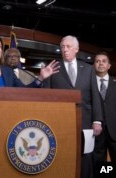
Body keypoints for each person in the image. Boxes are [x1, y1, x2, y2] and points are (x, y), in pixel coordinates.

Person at [43, 35, 103, 178]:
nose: (64, 49)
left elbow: (95, 95)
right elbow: (46, 96)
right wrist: (44, 79)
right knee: (63, 155)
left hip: (86, 122)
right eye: (62, 47)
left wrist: (97, 120)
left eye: (68, 46)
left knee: (85, 157)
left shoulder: (88, 70)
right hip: (60, 122)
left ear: (76, 49)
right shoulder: (53, 68)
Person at [93, 52, 116, 164]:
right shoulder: (89, 85)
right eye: (97, 61)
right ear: (94, 65)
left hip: (114, 131)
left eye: (104, 61)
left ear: (109, 66)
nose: (100, 63)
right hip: (96, 132)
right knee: (99, 164)